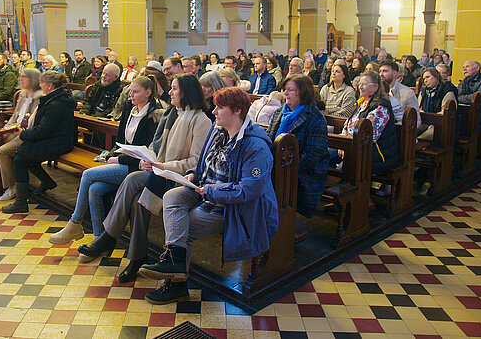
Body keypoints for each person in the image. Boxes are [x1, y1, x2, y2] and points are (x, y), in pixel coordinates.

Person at [138, 87, 279, 304]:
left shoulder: (255, 145)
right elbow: (203, 161)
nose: (213, 112)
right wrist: (194, 174)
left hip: (230, 206)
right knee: (171, 197)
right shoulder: (218, 129)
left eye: (220, 108)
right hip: (204, 189)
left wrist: (211, 191)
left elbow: (250, 190)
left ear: (237, 110)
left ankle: (177, 284)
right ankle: (175, 264)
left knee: (185, 226)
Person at [78, 74, 211, 282]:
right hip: (159, 172)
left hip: (177, 178)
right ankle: (136, 258)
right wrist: (147, 158)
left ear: (187, 92)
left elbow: (195, 162)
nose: (170, 92)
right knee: (137, 203)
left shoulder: (200, 120)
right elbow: (155, 146)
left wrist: (161, 165)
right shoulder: (171, 114)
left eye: (175, 89)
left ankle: (109, 236)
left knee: (132, 182)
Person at [49, 76, 164, 244]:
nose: (130, 95)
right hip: (124, 160)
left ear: (148, 93)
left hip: (138, 167)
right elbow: (121, 141)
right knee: (95, 189)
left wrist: (120, 160)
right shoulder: (129, 108)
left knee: (88, 175)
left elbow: (146, 152)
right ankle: (98, 238)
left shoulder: (155, 115)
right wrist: (112, 155)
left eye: (135, 92)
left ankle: (74, 223)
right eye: (130, 91)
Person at [1, 71, 76, 213]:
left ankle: (21, 202)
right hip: (53, 138)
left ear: (49, 85)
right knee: (23, 155)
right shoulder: (55, 98)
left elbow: (43, 130)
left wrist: (24, 134)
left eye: (42, 82)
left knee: (20, 159)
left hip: (59, 142)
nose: (40, 85)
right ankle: (46, 182)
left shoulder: (56, 103)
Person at [266, 75, 328, 218]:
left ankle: (279, 226)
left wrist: (282, 169)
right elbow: (269, 141)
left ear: (303, 92)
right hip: (279, 166)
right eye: (285, 90)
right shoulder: (280, 112)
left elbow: (311, 157)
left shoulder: (316, 118)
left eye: (291, 90)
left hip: (305, 172)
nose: (285, 93)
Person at [333, 70, 398, 176]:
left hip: (375, 154)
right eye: (360, 84)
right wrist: (342, 143)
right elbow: (347, 124)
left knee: (343, 169)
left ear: (376, 87)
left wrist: (347, 146)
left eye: (365, 84)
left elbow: (368, 136)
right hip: (353, 147)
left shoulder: (381, 107)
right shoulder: (362, 102)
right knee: (322, 154)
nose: (360, 87)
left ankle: (347, 190)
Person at [0, 68, 45, 201]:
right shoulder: (22, 94)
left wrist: (11, 131)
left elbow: (32, 122)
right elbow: (15, 116)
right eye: (20, 76)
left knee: (1, 151)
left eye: (24, 77)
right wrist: (4, 129)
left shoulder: (40, 97)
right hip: (14, 130)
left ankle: (12, 186)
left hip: (26, 134)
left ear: (32, 79)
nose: (20, 79)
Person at [418, 67, 458, 140]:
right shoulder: (424, 91)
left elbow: (446, 114)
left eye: (428, 77)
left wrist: (430, 117)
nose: (425, 80)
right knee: (408, 132)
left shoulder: (447, 91)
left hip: (440, 124)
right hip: (425, 121)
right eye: (424, 79)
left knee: (422, 138)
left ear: (436, 77)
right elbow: (418, 107)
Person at [379, 59, 421, 126]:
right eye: (380, 71)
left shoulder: (407, 93)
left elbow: (416, 121)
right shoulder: (375, 91)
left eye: (385, 71)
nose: (381, 74)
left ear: (395, 73)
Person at [457, 60, 481, 129]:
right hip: (464, 114)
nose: (464, 69)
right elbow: (458, 97)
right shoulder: (463, 82)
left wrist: (463, 98)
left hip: (478, 115)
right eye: (463, 67)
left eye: (467, 67)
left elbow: (478, 98)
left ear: (477, 68)